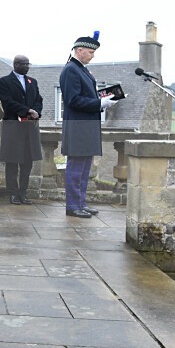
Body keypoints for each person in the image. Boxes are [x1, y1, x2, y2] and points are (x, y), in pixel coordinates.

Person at [59, 33, 116, 218]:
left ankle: (81, 203)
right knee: (75, 169)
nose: (93, 55)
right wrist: (100, 104)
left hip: (86, 127)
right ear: (79, 50)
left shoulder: (81, 70)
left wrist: (104, 98)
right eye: (90, 52)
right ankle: (73, 206)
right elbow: (73, 99)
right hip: (77, 127)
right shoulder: (71, 70)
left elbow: (86, 96)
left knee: (84, 170)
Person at [0, 55, 43, 205]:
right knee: (12, 162)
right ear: (16, 64)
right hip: (13, 127)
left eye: (28, 64)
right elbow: (8, 102)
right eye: (24, 64)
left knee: (27, 163)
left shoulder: (32, 82)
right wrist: (27, 110)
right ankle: (12, 194)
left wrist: (36, 111)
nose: (27, 67)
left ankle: (23, 193)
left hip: (29, 127)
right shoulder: (4, 82)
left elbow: (38, 100)